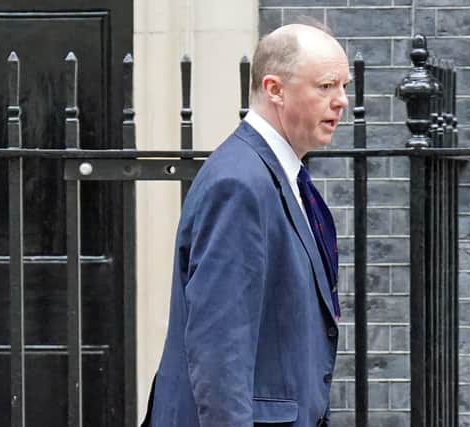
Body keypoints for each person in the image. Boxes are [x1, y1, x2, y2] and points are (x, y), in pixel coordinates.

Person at [142, 23, 350, 427]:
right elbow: (219, 348)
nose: (341, 100)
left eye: (344, 85)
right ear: (275, 89)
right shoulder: (240, 183)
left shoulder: (275, 176)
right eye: (326, 86)